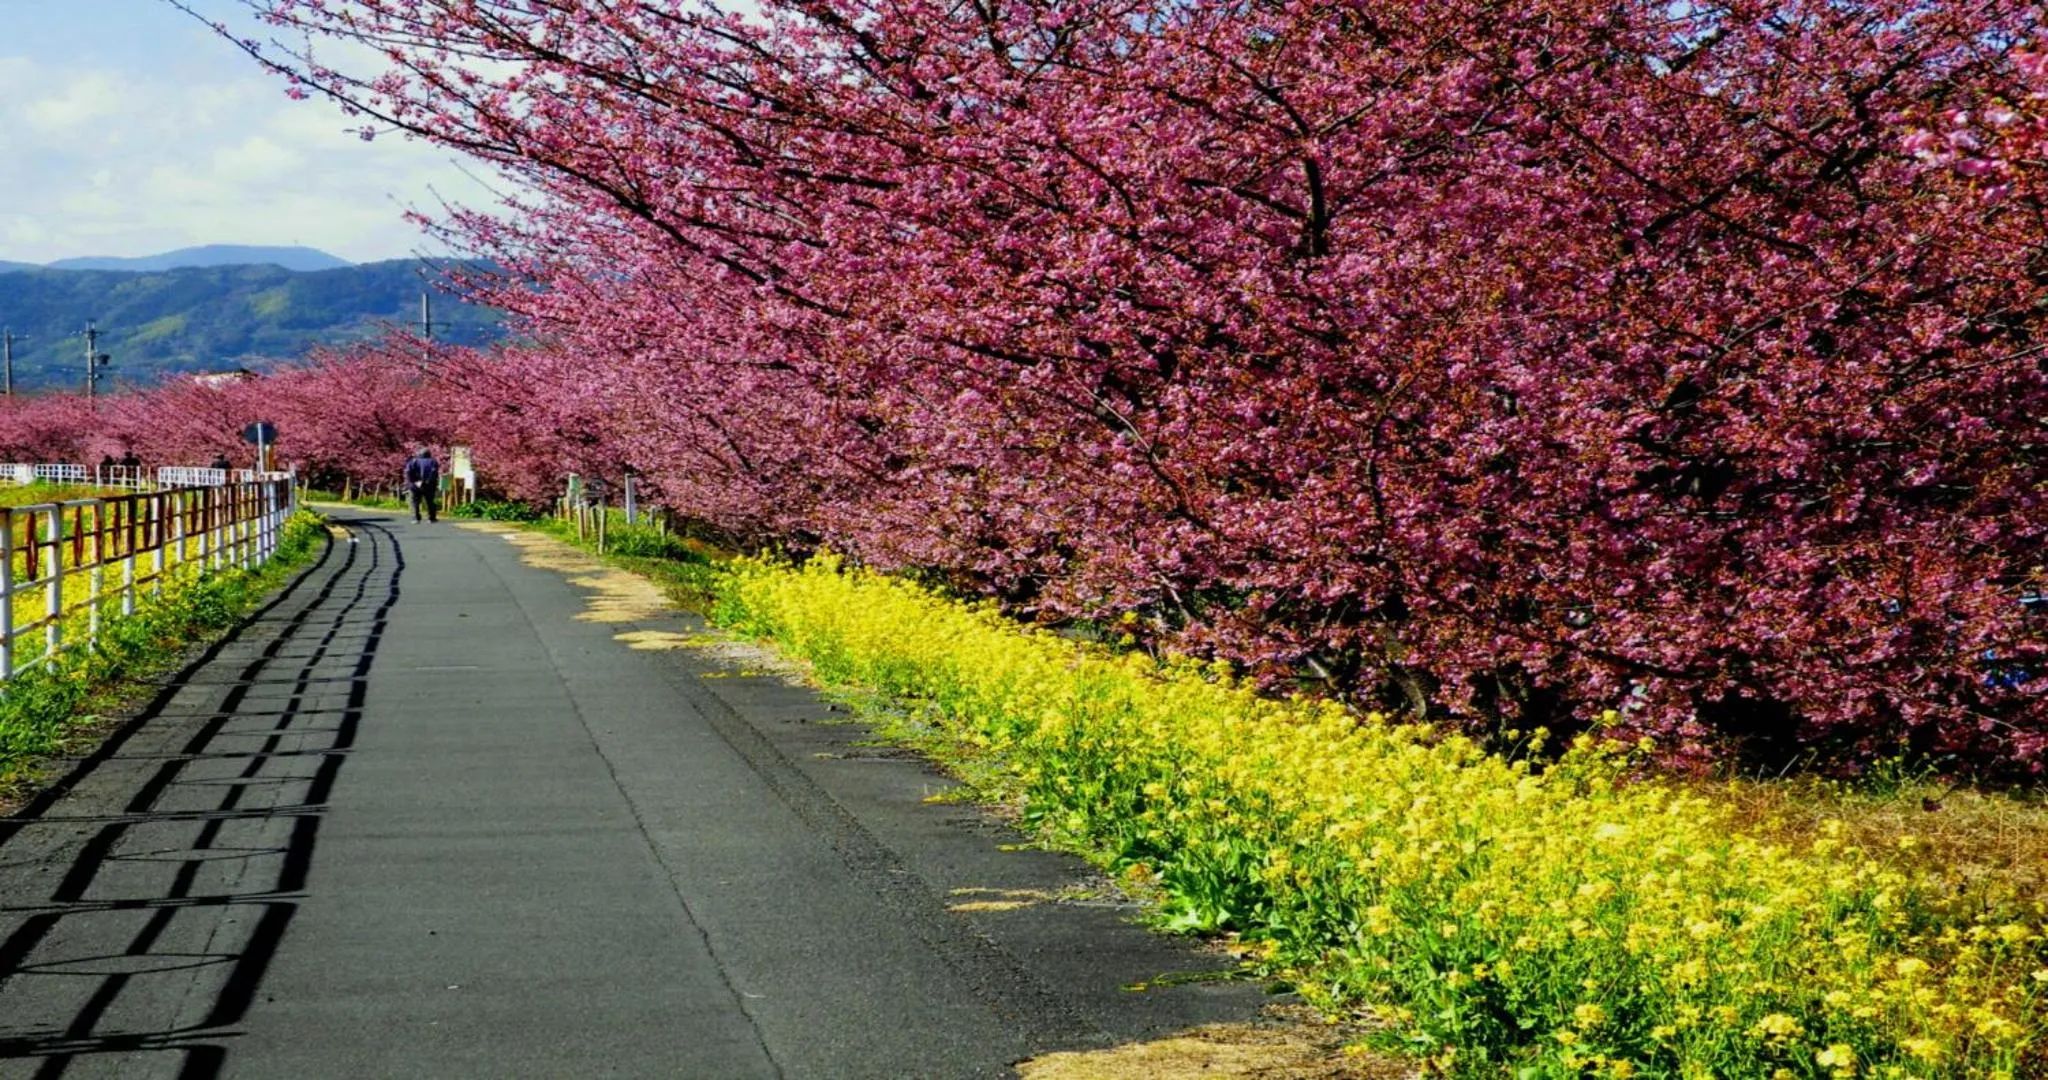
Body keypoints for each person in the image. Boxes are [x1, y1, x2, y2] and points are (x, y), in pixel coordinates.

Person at [404, 447, 441, 523]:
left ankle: (415, 518)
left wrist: (413, 481)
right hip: (429, 485)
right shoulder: (433, 461)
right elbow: (434, 473)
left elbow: (408, 472)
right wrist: (429, 481)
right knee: (430, 501)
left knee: (414, 502)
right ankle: (431, 518)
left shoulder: (413, 461)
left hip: (415, 485)